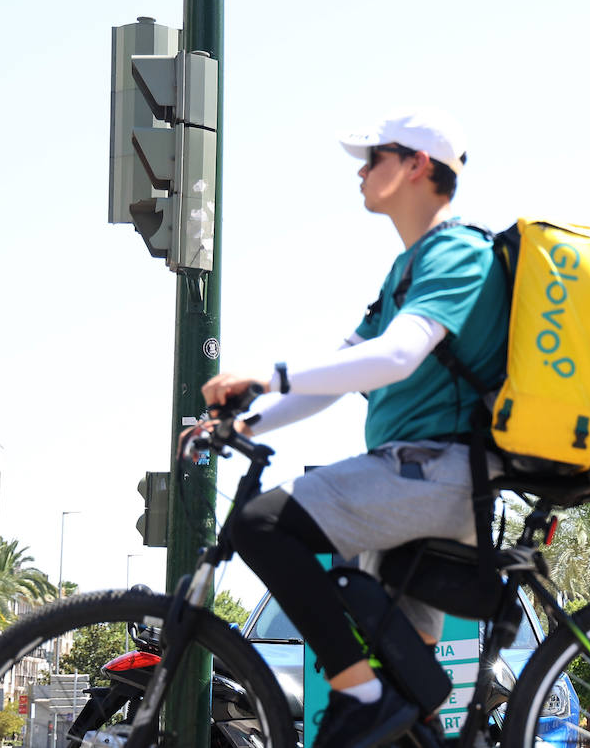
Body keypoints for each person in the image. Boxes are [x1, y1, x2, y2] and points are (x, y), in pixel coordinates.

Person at [190, 109, 508, 747]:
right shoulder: (407, 271)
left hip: (435, 474)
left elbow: (395, 357)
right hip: (419, 479)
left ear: (417, 166)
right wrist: (248, 420)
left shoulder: (457, 253)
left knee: (260, 523)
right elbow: (340, 375)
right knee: (402, 681)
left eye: (375, 157)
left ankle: (357, 691)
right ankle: (385, 703)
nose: (362, 171)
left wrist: (269, 374)